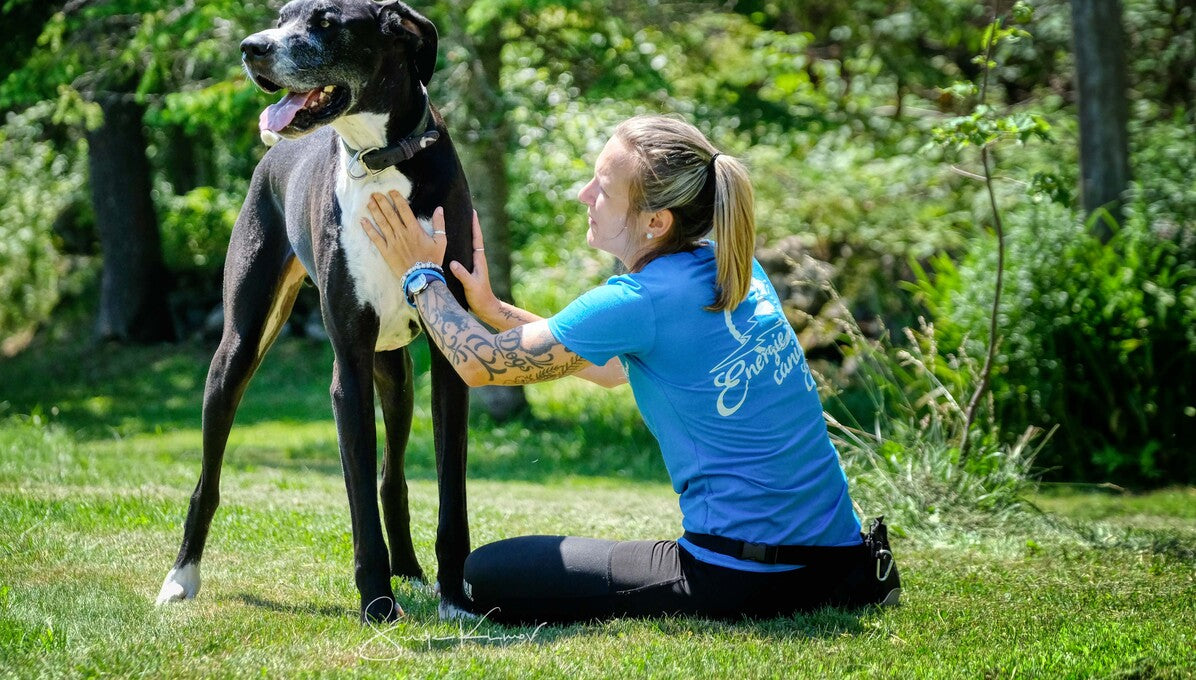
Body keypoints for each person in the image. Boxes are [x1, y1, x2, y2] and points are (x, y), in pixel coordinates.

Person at [360, 114, 901, 624]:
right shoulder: (736, 268)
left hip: (740, 577)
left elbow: (478, 366)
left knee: (487, 573)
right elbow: (613, 368)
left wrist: (419, 274)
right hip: (842, 566)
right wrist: (496, 312)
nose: (584, 196)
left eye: (602, 188)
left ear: (654, 221)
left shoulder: (637, 299)